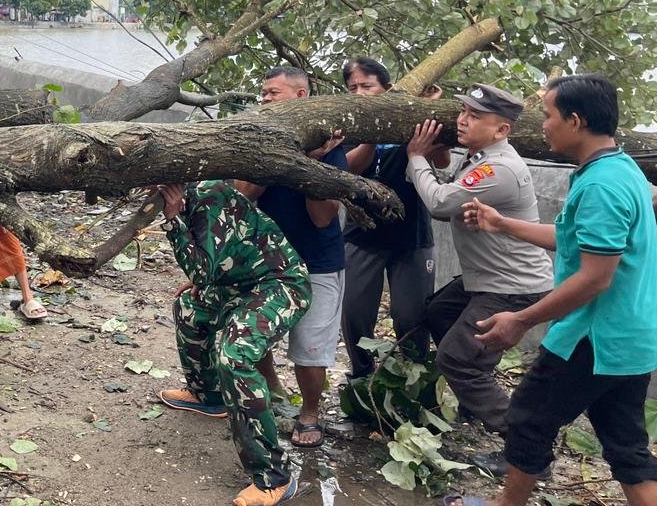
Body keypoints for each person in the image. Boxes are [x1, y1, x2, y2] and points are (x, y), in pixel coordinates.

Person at [444, 74, 657, 506]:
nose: (543, 125)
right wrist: (502, 224)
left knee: (527, 420)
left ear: (575, 121)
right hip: (631, 337)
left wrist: (521, 320)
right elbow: (573, 240)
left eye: (548, 115)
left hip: (594, 337)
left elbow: (596, 276)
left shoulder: (601, 185)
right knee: (626, 445)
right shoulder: (619, 169)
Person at [403, 84, 553, 448]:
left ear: (501, 129)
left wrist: (417, 156)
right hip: (487, 279)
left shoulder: (498, 168)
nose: (462, 120)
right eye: (463, 112)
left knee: (456, 360)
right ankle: (476, 390)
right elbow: (449, 207)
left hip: (512, 286)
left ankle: (524, 445)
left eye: (475, 116)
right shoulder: (478, 158)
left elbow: (440, 203)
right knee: (439, 312)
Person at [156, 179, 310, 506]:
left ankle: (275, 477)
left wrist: (172, 220)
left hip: (279, 285)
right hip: (239, 284)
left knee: (235, 355)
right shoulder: (190, 198)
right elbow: (209, 268)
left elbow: (200, 271)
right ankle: (208, 396)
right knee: (189, 308)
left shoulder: (208, 198)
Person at [234, 66, 347, 449]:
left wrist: (308, 164)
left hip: (318, 262)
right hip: (266, 261)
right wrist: (280, 157)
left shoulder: (332, 148)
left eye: (273, 93)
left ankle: (311, 412)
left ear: (301, 97)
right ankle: (272, 388)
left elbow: (322, 216)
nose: (265, 99)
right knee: (256, 335)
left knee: (310, 349)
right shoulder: (260, 142)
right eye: (263, 93)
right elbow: (243, 195)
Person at [340, 56, 443, 378]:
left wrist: (428, 113)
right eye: (353, 87)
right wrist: (371, 132)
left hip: (412, 237)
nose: (359, 93)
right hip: (361, 235)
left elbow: (441, 160)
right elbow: (349, 168)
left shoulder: (409, 119)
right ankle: (361, 376)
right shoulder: (346, 124)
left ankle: (412, 378)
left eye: (367, 86)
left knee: (411, 315)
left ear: (387, 88)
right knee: (355, 312)